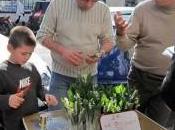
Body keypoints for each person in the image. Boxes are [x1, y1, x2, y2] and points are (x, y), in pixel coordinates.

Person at [36, 0, 114, 110]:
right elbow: (42, 35)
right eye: (86, 0)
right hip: (60, 76)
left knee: (87, 122)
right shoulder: (57, 4)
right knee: (58, 122)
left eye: (94, 1)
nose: (89, 4)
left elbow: (109, 41)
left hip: (89, 78)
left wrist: (99, 54)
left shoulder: (103, 10)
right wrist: (63, 51)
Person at [114, 0, 175, 114]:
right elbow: (124, 46)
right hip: (139, 78)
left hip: (168, 83)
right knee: (131, 120)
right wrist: (121, 33)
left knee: (156, 126)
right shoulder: (142, 9)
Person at [0, 26, 58, 130]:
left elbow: (39, 89)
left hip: (33, 123)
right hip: (13, 126)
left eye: (30, 53)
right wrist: (7, 100)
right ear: (10, 48)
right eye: (23, 53)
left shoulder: (31, 67)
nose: (27, 57)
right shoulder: (2, 71)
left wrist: (46, 96)